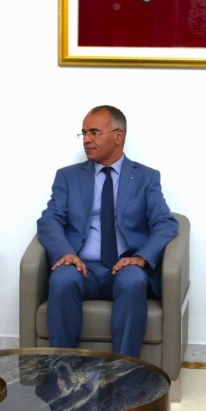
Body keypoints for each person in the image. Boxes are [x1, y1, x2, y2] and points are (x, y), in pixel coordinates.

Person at [36, 105, 178, 359]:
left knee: (133, 280)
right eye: (83, 133)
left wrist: (141, 258)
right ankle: (62, 371)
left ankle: (123, 371)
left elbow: (166, 223)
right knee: (62, 279)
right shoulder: (68, 177)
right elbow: (50, 219)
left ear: (118, 135)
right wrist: (66, 253)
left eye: (94, 132)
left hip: (124, 266)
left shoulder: (146, 178)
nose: (86, 140)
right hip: (82, 267)